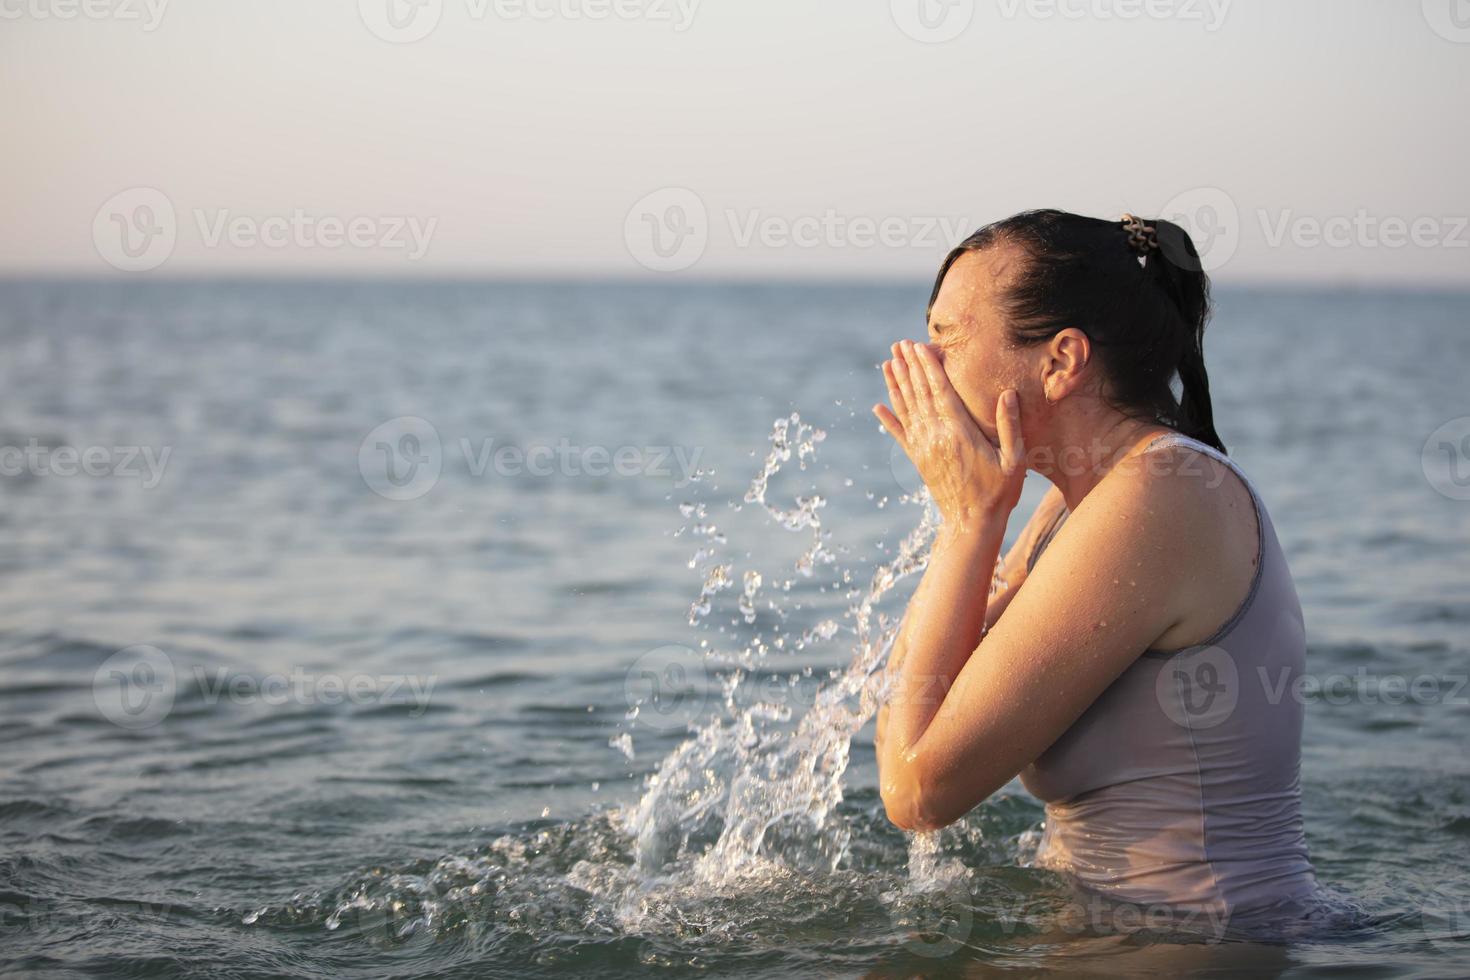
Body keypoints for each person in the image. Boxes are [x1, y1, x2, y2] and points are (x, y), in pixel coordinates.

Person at [872, 209, 1321, 936]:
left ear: (1060, 361)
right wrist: (972, 518)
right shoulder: (1073, 507)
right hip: (1114, 933)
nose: (924, 361)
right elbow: (910, 705)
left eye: (950, 335)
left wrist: (968, 524)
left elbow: (917, 790)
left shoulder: (1162, 497)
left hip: (1200, 949)